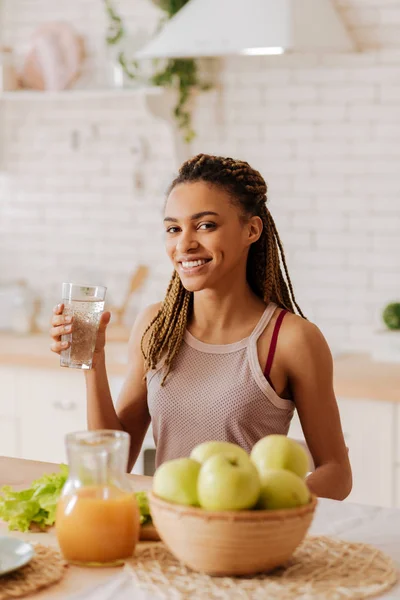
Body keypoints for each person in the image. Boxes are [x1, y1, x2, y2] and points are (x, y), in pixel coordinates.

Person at [50, 154, 352, 500]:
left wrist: (267, 503)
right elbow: (114, 465)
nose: (184, 244)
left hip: (244, 541)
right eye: (173, 228)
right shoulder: (155, 325)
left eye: (206, 225)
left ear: (251, 229)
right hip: (168, 532)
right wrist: (93, 360)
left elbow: (337, 474)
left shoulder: (291, 339)